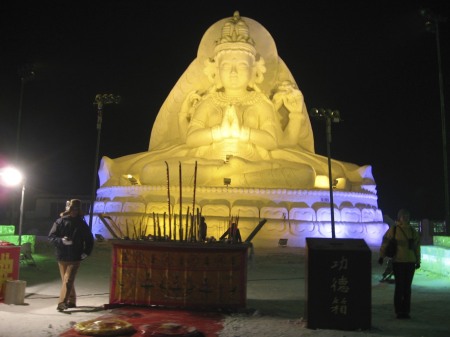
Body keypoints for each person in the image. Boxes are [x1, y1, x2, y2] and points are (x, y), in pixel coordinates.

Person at [98, 11, 375, 192]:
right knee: (153, 171)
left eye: (240, 66)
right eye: (226, 65)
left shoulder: (260, 102)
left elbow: (273, 142)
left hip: (257, 163)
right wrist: (220, 132)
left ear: (254, 70)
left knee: (303, 174)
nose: (232, 72)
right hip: (204, 161)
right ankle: (233, 174)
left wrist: (244, 132)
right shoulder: (210, 101)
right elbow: (192, 138)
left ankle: (237, 173)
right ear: (214, 70)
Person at [48, 199, 94, 311]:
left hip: (75, 256)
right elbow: (51, 237)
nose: (75, 211)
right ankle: (72, 301)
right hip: (62, 256)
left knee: (68, 280)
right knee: (66, 280)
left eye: (77, 209)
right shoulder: (59, 222)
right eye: (73, 209)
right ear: (68, 209)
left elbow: (89, 239)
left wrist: (86, 252)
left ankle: (62, 303)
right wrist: (62, 241)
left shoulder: (82, 224)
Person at [378, 209, 421, 319]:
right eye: (403, 216)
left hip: (410, 262)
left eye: (407, 215)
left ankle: (406, 311)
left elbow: (417, 247)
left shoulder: (412, 231)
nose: (405, 217)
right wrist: (381, 256)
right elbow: (385, 243)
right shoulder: (394, 230)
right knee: (400, 287)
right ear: (399, 217)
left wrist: (418, 260)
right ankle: (398, 311)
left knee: (407, 288)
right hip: (398, 262)